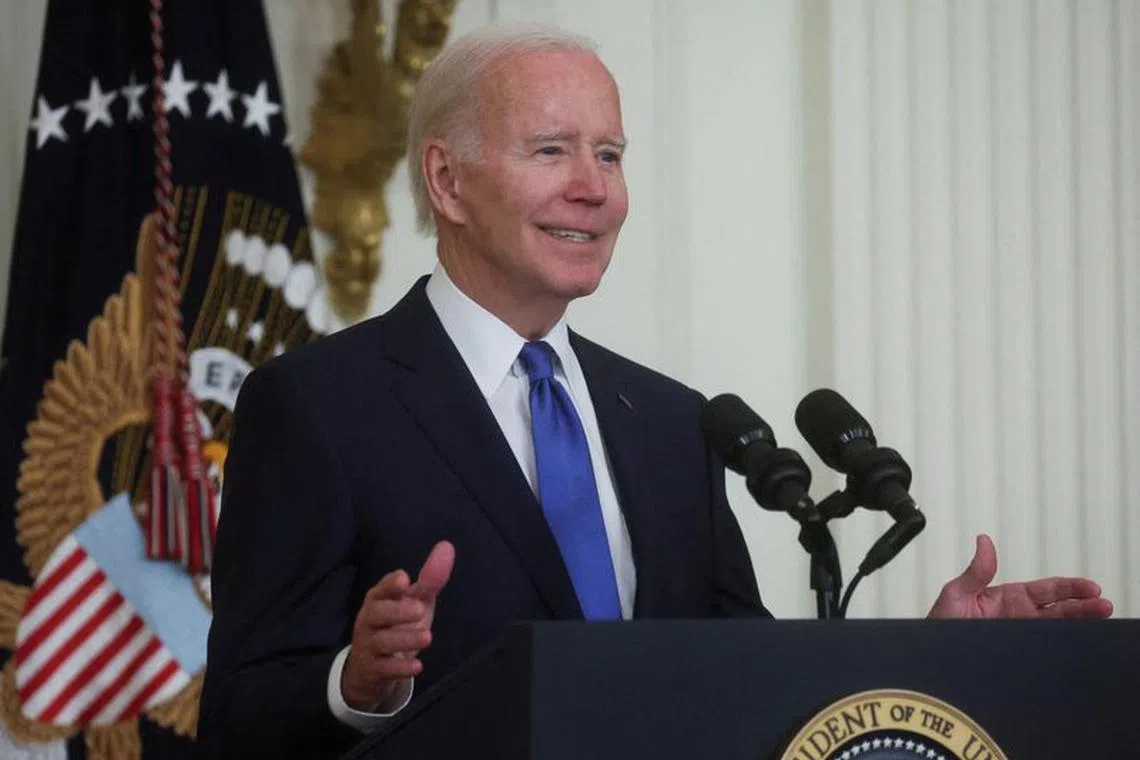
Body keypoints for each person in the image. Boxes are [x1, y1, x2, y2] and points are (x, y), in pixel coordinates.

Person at [197, 23, 1112, 760]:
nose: (594, 189)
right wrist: (357, 686)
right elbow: (239, 717)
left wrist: (931, 656)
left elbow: (742, 682)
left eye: (612, 154)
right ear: (448, 180)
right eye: (553, 150)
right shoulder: (318, 404)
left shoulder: (674, 420)